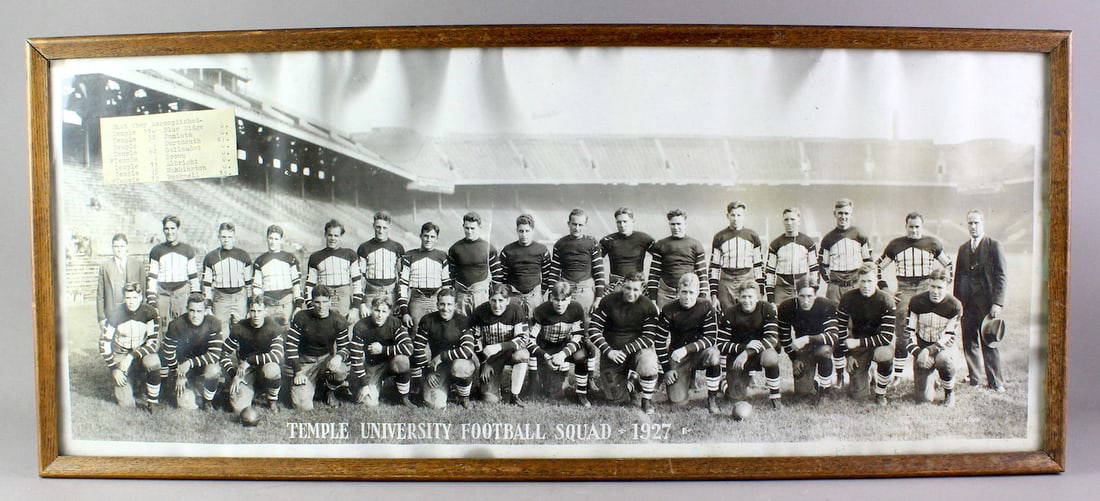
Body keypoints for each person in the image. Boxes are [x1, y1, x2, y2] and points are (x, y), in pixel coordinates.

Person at [877, 212, 953, 384]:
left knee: (929, 328)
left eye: (917, 226)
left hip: (926, 288)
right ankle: (897, 374)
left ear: (922, 227)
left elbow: (948, 264)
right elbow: (878, 266)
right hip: (904, 289)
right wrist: (886, 289)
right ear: (906, 227)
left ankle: (932, 370)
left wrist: (943, 287)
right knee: (903, 331)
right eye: (911, 226)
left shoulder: (932, 243)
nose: (914, 230)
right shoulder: (896, 244)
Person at [588, 272, 660, 414]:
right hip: (612, 354)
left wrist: (626, 350)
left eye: (635, 290)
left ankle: (646, 400)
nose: (631, 293)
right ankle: (632, 382)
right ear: (622, 286)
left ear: (642, 289)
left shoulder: (648, 306)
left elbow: (649, 337)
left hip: (636, 353)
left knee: (649, 363)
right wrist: (608, 351)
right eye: (628, 288)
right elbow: (593, 328)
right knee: (616, 399)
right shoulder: (608, 301)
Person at [953, 209, 1008, 392]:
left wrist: (997, 303)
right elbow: (958, 277)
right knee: (969, 341)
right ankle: (974, 378)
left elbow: (1001, 276)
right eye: (970, 223)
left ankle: (995, 382)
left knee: (989, 341)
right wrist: (958, 302)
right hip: (968, 304)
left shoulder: (994, 245)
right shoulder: (963, 249)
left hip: (987, 304)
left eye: (976, 223)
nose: (973, 226)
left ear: (982, 223)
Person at [550, 208, 606, 384]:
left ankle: (589, 378)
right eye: (574, 224)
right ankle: (564, 376)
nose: (577, 228)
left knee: (587, 336)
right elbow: (554, 272)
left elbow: (599, 272)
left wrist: (598, 297)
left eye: (581, 225)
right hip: (566, 291)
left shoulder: (592, 243)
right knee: (564, 333)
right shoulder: (560, 244)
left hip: (585, 291)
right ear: (568, 223)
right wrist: (553, 294)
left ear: (585, 225)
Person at [655, 273, 722, 413]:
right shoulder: (668, 309)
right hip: (678, 356)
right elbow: (659, 341)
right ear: (677, 292)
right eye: (684, 292)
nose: (687, 296)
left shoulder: (706, 306)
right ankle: (685, 379)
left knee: (714, 355)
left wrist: (686, 349)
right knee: (677, 401)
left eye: (691, 292)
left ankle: (712, 399)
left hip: (699, 353)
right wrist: (667, 369)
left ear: (698, 292)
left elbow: (711, 338)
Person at [836, 263, 897, 405]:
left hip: (880, 343)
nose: (865, 285)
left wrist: (857, 343)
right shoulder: (848, 298)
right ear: (858, 281)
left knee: (884, 355)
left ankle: (881, 393)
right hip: (858, 345)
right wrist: (848, 355)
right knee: (858, 396)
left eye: (869, 281)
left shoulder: (886, 300)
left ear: (876, 280)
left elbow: (887, 336)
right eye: (862, 281)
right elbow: (841, 330)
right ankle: (867, 374)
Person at [717, 281, 782, 409]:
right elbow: (721, 344)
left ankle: (775, 396)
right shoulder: (729, 313)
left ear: (757, 297)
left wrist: (747, 352)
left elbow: (772, 339)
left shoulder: (767, 308)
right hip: (737, 357)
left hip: (760, 353)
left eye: (750, 296)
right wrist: (744, 348)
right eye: (744, 297)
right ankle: (724, 384)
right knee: (734, 398)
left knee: (771, 358)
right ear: (738, 298)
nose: (747, 300)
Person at [904, 269, 963, 406]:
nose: (935, 291)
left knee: (944, 360)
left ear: (947, 286)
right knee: (923, 399)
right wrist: (919, 353)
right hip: (922, 348)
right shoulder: (916, 301)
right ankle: (932, 380)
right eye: (933, 286)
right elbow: (909, 332)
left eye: (940, 287)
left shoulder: (954, 305)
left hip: (943, 348)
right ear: (928, 284)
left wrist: (929, 351)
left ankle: (949, 393)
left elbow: (949, 336)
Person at [286, 286, 351, 409]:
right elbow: (291, 345)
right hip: (305, 362)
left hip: (325, 360)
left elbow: (345, 347)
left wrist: (338, 356)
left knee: (340, 370)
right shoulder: (301, 317)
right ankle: (314, 387)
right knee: (301, 406)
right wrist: (298, 371)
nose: (321, 306)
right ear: (311, 302)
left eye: (325, 302)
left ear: (330, 302)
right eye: (317, 302)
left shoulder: (338, 320)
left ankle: (329, 391)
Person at [98, 284, 162, 411]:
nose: (131, 301)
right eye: (128, 298)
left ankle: (153, 401)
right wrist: (113, 369)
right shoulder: (115, 313)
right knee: (126, 404)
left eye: (134, 297)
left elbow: (153, 344)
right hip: (121, 351)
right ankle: (134, 381)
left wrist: (131, 356)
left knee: (153, 362)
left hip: (141, 351)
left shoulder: (150, 312)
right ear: (124, 298)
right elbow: (103, 343)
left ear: (141, 297)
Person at [412, 288, 477, 409]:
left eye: (449, 304)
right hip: (439, 366)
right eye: (442, 304)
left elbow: (467, 350)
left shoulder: (462, 320)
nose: (445, 308)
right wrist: (428, 371)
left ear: (455, 305)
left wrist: (442, 356)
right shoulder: (428, 320)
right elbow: (418, 348)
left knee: (460, 368)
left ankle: (464, 396)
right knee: (434, 404)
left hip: (461, 361)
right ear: (437, 304)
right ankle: (447, 387)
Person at [528, 281, 590, 406]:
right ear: (551, 298)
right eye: (556, 299)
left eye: (564, 299)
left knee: (581, 355)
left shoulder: (576, 308)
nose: (560, 304)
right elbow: (530, 340)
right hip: (546, 348)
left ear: (570, 299)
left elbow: (579, 336)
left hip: (563, 346)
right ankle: (537, 383)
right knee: (556, 394)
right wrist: (546, 356)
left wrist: (563, 354)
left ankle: (581, 393)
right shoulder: (541, 311)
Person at [469, 284, 530, 406]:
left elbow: (523, 339)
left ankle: (515, 395)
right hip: (490, 358)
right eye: (493, 300)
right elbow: (475, 340)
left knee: (522, 355)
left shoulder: (516, 310)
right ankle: (484, 388)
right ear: (489, 299)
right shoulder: (480, 312)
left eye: (501, 300)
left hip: (510, 352)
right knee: (489, 399)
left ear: (507, 300)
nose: (497, 305)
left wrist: (499, 346)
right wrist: (485, 363)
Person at [221, 295, 284, 412]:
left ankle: (272, 399)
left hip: (265, 366)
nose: (256, 315)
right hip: (246, 371)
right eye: (253, 311)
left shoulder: (273, 327)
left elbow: (277, 355)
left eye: (259, 311)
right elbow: (224, 353)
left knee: (273, 370)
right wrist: (233, 373)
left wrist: (248, 361)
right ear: (249, 311)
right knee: (238, 408)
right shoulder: (240, 327)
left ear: (265, 311)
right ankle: (253, 390)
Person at [777, 283, 840, 400]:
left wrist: (807, 339)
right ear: (796, 294)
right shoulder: (787, 307)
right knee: (802, 394)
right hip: (803, 350)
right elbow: (784, 337)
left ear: (816, 296)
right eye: (802, 296)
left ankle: (825, 387)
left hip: (821, 345)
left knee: (825, 351)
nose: (805, 300)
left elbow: (833, 336)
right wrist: (794, 358)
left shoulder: (826, 305)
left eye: (809, 296)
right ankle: (813, 381)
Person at [161, 293, 223, 410]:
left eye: (199, 311)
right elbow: (168, 352)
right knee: (187, 406)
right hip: (183, 369)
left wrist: (189, 363)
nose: (195, 315)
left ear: (205, 311)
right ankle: (191, 389)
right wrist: (178, 374)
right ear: (187, 310)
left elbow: (215, 355)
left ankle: (207, 402)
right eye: (192, 310)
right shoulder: (176, 325)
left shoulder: (213, 323)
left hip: (202, 365)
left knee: (214, 370)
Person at [349, 296, 414, 407]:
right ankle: (373, 385)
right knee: (369, 403)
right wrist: (364, 385)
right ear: (371, 309)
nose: (380, 315)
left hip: (391, 363)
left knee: (403, 360)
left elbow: (409, 348)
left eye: (384, 311)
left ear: (389, 312)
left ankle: (404, 396)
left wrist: (383, 350)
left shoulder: (395, 323)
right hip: (372, 366)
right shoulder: (361, 326)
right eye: (377, 310)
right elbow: (356, 357)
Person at [709, 201, 765, 313]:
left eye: (739, 215)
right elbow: (714, 267)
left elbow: (758, 266)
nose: (735, 218)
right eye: (733, 215)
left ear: (743, 216)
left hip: (746, 278)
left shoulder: (752, 236)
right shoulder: (719, 237)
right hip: (726, 280)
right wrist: (714, 295)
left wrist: (761, 292)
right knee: (726, 314)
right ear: (727, 216)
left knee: (746, 314)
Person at [647, 209, 709, 309]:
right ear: (669, 224)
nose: (676, 227)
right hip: (666, 293)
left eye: (679, 224)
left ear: (685, 224)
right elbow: (654, 274)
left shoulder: (695, 244)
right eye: (673, 224)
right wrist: (653, 299)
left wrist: (702, 297)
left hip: (688, 294)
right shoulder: (661, 245)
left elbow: (702, 274)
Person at [147, 215, 200, 328]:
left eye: (172, 228)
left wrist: (195, 296)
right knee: (162, 328)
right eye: (167, 229)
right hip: (162, 295)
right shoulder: (156, 250)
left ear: (178, 229)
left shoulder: (187, 250)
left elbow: (193, 277)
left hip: (181, 295)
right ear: (163, 230)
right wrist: (151, 297)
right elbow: (152, 277)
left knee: (183, 328)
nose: (169, 232)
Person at [306, 219, 363, 323]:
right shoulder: (315, 257)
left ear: (341, 236)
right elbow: (309, 285)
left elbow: (357, 284)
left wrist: (355, 308)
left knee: (346, 332)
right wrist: (311, 307)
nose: (333, 238)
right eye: (330, 235)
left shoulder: (350, 255)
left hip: (344, 301)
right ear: (325, 235)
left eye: (336, 235)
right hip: (323, 300)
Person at [397, 222, 452, 330]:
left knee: (438, 333)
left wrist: (446, 304)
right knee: (415, 332)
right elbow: (403, 284)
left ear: (437, 239)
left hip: (436, 300)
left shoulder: (442, 256)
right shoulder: (409, 255)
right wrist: (404, 312)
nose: (428, 239)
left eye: (432, 237)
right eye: (426, 236)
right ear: (420, 236)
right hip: (417, 300)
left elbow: (446, 284)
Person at [202, 222, 253, 337]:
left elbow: (249, 282)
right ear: (219, 236)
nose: (226, 240)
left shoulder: (243, 255)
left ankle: (241, 354)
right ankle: (224, 354)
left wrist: (250, 302)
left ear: (234, 237)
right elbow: (206, 284)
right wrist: (208, 304)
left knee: (241, 328)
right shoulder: (211, 257)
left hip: (239, 297)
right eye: (223, 237)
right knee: (221, 329)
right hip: (221, 298)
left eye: (229, 237)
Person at [818, 199, 874, 303]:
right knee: (834, 315)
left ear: (851, 214)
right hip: (835, 287)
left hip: (856, 284)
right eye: (840, 213)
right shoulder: (828, 238)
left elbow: (868, 262)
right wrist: (831, 283)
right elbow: (823, 265)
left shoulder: (860, 234)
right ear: (835, 214)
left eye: (846, 213)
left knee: (858, 316)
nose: (843, 217)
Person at [449, 212, 504, 316]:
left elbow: (497, 275)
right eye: (467, 228)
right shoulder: (455, 248)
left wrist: (495, 296)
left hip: (480, 295)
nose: (469, 231)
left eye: (473, 228)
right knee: (460, 326)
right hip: (461, 295)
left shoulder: (488, 248)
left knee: (481, 324)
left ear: (479, 227)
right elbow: (451, 275)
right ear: (463, 226)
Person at [500, 214, 552, 320]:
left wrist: (540, 293)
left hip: (534, 295)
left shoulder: (542, 250)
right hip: (513, 295)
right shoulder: (508, 250)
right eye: (521, 231)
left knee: (535, 323)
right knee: (513, 323)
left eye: (527, 231)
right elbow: (503, 276)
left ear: (533, 231)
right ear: (517, 231)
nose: (524, 234)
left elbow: (547, 275)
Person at [765, 207, 819, 307]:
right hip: (781, 289)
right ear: (783, 221)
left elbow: (814, 269)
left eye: (792, 219)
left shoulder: (808, 242)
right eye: (786, 219)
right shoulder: (776, 244)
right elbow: (770, 272)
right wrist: (770, 296)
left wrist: (814, 289)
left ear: (798, 221)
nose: (789, 223)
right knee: (780, 316)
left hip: (801, 288)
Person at [357, 211, 406, 318]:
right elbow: (360, 278)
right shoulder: (364, 247)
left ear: (389, 227)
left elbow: (401, 277)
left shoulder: (397, 247)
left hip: (391, 294)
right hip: (371, 294)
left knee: (390, 328)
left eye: (384, 227)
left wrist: (399, 301)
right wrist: (362, 303)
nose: (381, 230)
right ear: (373, 225)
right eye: (378, 227)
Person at [252, 224, 303, 326]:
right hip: (268, 304)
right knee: (269, 332)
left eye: (276, 239)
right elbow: (256, 287)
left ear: (281, 240)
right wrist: (258, 305)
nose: (273, 241)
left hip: (286, 303)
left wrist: (298, 306)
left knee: (286, 332)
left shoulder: (290, 258)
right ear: (266, 239)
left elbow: (296, 284)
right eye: (270, 238)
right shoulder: (260, 260)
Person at [96, 233, 145, 333]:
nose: (119, 249)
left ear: (127, 247)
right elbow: (100, 295)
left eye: (122, 246)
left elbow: (143, 292)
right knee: (114, 343)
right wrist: (101, 318)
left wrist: (143, 314)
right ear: (112, 247)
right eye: (116, 246)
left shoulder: (138, 265)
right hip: (113, 312)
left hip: (133, 311)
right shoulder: (105, 267)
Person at [600, 207, 654, 293]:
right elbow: (593, 261)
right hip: (616, 286)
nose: (622, 225)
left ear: (632, 221)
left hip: (637, 285)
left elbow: (661, 257)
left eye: (625, 221)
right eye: (619, 222)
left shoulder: (644, 239)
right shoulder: (608, 240)